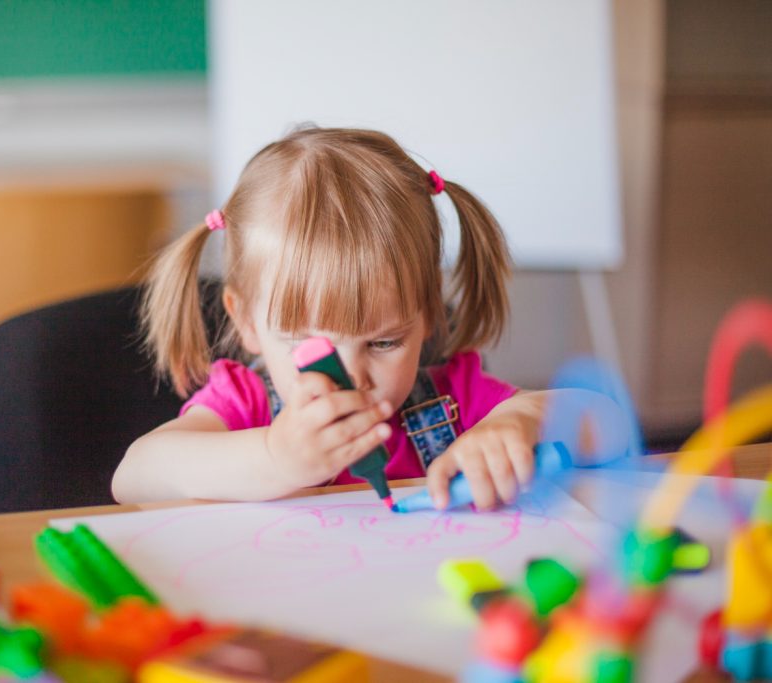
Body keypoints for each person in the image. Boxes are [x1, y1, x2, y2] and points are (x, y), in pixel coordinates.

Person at [113, 126, 617, 508]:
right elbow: (132, 477)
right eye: (311, 347)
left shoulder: (452, 400)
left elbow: (607, 422)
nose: (353, 377)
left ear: (427, 316)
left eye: (383, 343)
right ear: (246, 322)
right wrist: (275, 457)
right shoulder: (246, 404)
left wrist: (519, 423)